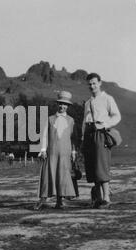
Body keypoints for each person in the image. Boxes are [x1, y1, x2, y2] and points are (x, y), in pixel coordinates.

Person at [81, 73, 121, 208]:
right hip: (89, 134)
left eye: (94, 83)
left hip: (100, 134)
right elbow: (83, 122)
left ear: (100, 83)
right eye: (90, 84)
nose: (92, 86)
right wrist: (83, 137)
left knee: (101, 166)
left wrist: (105, 125)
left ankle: (106, 198)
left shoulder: (107, 99)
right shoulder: (87, 102)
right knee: (92, 167)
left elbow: (117, 116)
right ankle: (98, 198)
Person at [34, 91, 77, 210]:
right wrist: (43, 149)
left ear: (68, 106)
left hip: (65, 153)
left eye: (65, 105)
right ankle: (42, 200)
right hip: (52, 152)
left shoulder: (71, 121)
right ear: (57, 104)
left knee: (62, 176)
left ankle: (59, 202)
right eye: (61, 104)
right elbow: (44, 135)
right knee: (48, 175)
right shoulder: (50, 119)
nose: (62, 106)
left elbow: (74, 138)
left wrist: (73, 152)